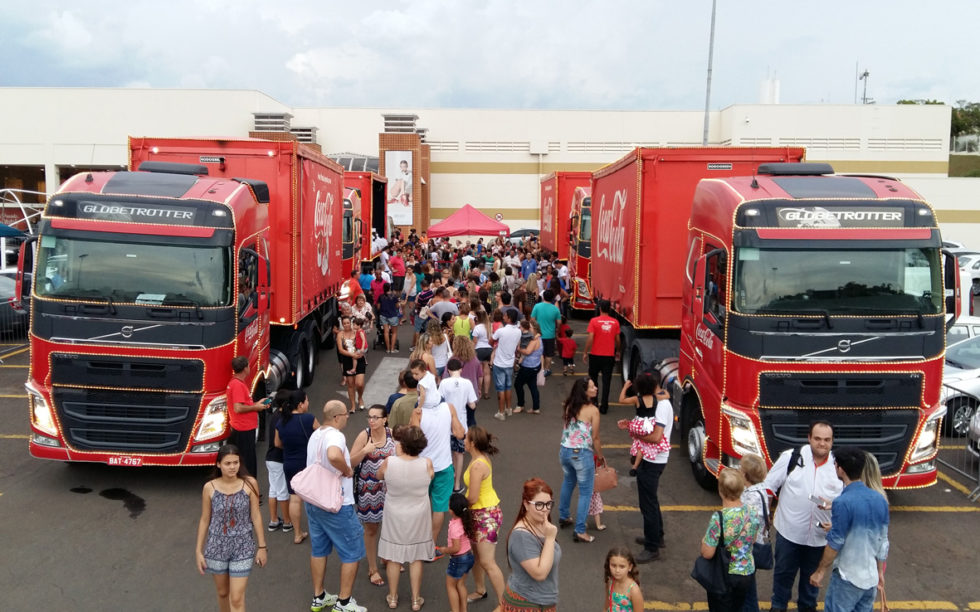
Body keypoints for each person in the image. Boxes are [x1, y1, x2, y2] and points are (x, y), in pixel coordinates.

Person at [762, 421, 843, 612]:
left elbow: (848, 500)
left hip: (819, 541)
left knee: (809, 592)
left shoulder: (839, 466)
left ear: (832, 441)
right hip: (788, 536)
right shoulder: (791, 457)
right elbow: (768, 487)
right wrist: (763, 520)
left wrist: (837, 523)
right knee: (781, 585)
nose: (822, 444)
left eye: (827, 440)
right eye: (817, 439)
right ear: (809, 438)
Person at [809, 447, 890, 612]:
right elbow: (883, 540)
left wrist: (820, 571)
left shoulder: (842, 502)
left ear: (840, 469)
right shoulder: (879, 499)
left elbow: (835, 542)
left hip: (847, 578)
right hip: (870, 579)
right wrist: (879, 572)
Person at [306, 400, 367, 612]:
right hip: (337, 504)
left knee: (319, 550)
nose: (348, 417)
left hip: (315, 502)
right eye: (345, 414)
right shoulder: (335, 435)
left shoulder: (316, 435)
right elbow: (333, 455)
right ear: (336, 417)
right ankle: (344, 602)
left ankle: (319, 596)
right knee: (353, 550)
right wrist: (347, 470)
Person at [195, 444, 267, 612]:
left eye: (236, 462)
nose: (233, 467)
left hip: (243, 546)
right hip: (216, 547)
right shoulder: (209, 487)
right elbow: (205, 519)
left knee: (236, 598)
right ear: (219, 464)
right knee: (222, 593)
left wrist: (262, 547)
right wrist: (198, 551)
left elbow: (256, 516)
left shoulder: (250, 484)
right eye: (228, 463)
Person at [378, 425, 435, 611]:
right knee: (416, 557)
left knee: (394, 556)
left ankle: (393, 597)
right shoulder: (427, 463)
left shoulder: (389, 462)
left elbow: (379, 476)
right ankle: (416, 599)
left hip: (394, 512)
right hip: (419, 513)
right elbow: (430, 478)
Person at [617, 372, 672, 563]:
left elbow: (656, 437)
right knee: (652, 500)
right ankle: (657, 536)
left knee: (647, 504)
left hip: (653, 460)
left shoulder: (661, 406)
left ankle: (652, 547)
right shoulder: (661, 400)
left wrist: (634, 433)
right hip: (654, 458)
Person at [699, 468, 760, 612]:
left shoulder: (719, 518)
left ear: (721, 491)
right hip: (746, 573)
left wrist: (703, 541)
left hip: (724, 575)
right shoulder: (752, 511)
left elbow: (707, 553)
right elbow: (753, 539)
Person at [349, 405, 397, 589]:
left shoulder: (392, 434)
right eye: (370, 417)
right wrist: (364, 451)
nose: (372, 420)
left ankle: (386, 557)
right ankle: (372, 567)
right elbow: (351, 463)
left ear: (385, 419)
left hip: (390, 488)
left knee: (389, 525)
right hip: (369, 490)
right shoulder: (364, 436)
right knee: (371, 529)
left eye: (376, 417)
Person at [413, 397, 467, 547]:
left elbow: (413, 440)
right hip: (443, 466)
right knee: (439, 509)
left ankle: (416, 542)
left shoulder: (417, 412)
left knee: (419, 506)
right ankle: (431, 545)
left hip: (422, 467)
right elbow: (460, 433)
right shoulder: (448, 408)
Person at [462, 426, 507, 606]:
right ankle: (480, 589)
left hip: (484, 516)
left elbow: (472, 497)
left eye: (466, 439)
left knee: (488, 562)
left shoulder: (477, 465)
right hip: (481, 514)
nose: (463, 441)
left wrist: (457, 505)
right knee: (477, 557)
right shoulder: (480, 458)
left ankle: (504, 604)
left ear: (472, 443)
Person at [503, 478, 561, 611]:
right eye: (539, 504)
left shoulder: (542, 525)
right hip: (527, 603)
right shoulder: (521, 536)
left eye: (548, 504)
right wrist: (550, 538)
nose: (545, 510)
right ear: (526, 504)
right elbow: (539, 574)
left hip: (544, 600)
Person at [558, 378, 604, 543]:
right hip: (582, 454)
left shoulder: (569, 405)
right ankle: (580, 530)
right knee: (585, 492)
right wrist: (600, 455)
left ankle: (564, 516)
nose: (596, 388)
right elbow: (596, 438)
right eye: (592, 387)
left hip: (564, 451)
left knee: (568, 482)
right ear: (585, 392)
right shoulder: (593, 410)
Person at [274, 389, 318, 543]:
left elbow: (277, 443)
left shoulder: (281, 421)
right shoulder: (309, 419)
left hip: (289, 463)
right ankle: (318, 531)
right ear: (300, 404)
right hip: (307, 463)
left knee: (294, 498)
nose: (308, 403)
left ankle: (297, 533)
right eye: (306, 401)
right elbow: (321, 437)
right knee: (313, 498)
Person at [225, 356, 268, 483]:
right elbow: (238, 408)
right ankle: (250, 489)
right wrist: (256, 407)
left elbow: (242, 405)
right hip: (244, 428)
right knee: (248, 461)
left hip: (241, 427)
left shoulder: (235, 383)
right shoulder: (238, 385)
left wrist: (257, 403)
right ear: (245, 368)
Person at [439, 358, 479, 491]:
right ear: (461, 369)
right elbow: (472, 404)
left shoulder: (444, 383)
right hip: (461, 425)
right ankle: (457, 484)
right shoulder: (467, 383)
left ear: (448, 370)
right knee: (459, 454)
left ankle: (448, 482)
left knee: (447, 454)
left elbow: (439, 400)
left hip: (446, 422)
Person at [617, 374, 668, 478]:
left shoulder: (637, 399)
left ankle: (635, 464)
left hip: (638, 425)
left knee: (639, 441)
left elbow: (621, 400)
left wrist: (625, 386)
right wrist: (665, 391)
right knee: (646, 441)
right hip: (650, 425)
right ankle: (638, 462)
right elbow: (667, 396)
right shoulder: (656, 398)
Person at [739, 454, 771, 612]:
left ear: (746, 474)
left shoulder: (751, 498)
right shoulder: (759, 490)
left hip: (747, 551)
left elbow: (748, 530)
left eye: (740, 468)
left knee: (747, 593)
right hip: (751, 548)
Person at [439, 493, 478, 612]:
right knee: (461, 584)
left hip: (458, 560)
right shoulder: (465, 520)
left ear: (452, 511)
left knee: (450, 586)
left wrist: (445, 550)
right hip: (469, 557)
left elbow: (456, 548)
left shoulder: (455, 527)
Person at [582, 300, 621, 414]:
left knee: (593, 380)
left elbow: (590, 337)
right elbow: (618, 340)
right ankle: (604, 406)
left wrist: (585, 352)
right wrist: (618, 351)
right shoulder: (615, 322)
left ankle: (594, 402)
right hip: (609, 356)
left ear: (599, 309)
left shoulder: (594, 321)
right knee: (606, 381)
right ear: (610, 309)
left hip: (595, 355)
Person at [265, 389, 291, 532]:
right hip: (278, 458)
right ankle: (287, 522)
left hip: (270, 458)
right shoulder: (283, 418)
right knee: (282, 491)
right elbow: (279, 442)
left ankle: (274, 520)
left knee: (273, 490)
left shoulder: (275, 415)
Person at [491, 308, 522, 421]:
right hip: (510, 362)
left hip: (499, 362)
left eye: (505, 315)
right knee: (508, 386)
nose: (503, 317)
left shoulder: (501, 331)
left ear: (509, 318)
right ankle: (508, 408)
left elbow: (491, 340)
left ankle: (501, 412)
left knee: (500, 388)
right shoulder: (518, 331)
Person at [337, 315, 368, 413]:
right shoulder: (340, 334)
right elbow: (340, 350)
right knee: (350, 384)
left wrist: (360, 353)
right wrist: (351, 355)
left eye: (348, 323)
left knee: (359, 383)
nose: (346, 325)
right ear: (342, 324)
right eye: (344, 323)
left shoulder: (356, 331)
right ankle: (353, 405)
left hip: (359, 358)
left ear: (351, 323)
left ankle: (360, 398)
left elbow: (364, 341)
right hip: (347, 360)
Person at [451, 335, 484, 424]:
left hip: (456, 395)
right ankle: (472, 436)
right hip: (472, 394)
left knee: (456, 419)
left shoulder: (453, 360)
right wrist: (479, 389)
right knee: (471, 419)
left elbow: (446, 378)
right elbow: (480, 377)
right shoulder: (475, 360)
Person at [513, 319, 543, 415]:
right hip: (535, 365)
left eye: (529, 327)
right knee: (532, 386)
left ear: (534, 329)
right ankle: (536, 407)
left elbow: (527, 352)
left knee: (518, 384)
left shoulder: (534, 340)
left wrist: (519, 349)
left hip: (528, 367)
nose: (528, 329)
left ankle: (520, 405)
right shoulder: (538, 338)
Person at [530, 289, 562, 377]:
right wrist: (557, 330)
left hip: (538, 335)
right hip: (550, 335)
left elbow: (532, 320)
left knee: (539, 353)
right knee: (549, 353)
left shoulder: (537, 306)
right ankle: (546, 369)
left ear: (543, 297)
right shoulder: (555, 309)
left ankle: (539, 368)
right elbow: (559, 322)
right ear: (552, 298)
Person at [604, 547, 643, 612]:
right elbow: (606, 607)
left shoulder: (634, 590)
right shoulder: (610, 582)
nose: (617, 570)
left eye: (622, 566)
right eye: (613, 565)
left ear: (630, 567)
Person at [471, 307, 494, 400]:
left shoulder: (477, 328)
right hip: (489, 349)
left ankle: (479, 391)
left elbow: (475, 341)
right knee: (487, 373)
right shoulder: (490, 326)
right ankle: (486, 393)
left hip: (479, 350)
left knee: (480, 373)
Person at [377, 282, 403, 353]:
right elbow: (397, 306)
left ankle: (388, 349)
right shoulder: (394, 296)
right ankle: (392, 348)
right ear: (390, 288)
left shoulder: (381, 296)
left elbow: (378, 307)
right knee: (394, 332)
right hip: (393, 316)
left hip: (383, 315)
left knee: (386, 332)